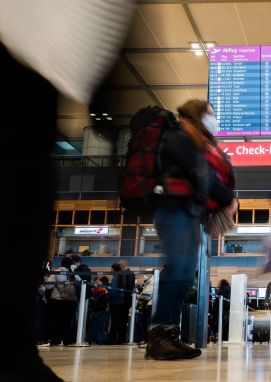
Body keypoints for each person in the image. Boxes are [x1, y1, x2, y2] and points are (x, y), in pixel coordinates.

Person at [0, 2, 133, 380]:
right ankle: (12, 356)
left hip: (26, 82)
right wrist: (107, 107)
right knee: (19, 219)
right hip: (23, 90)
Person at [145, 99, 238, 360]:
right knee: (178, 272)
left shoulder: (195, 140)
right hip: (173, 212)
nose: (213, 118)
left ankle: (168, 334)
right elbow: (202, 175)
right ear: (197, 115)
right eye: (210, 114)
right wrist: (227, 198)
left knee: (184, 274)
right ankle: (160, 336)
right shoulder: (179, 137)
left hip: (187, 214)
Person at [45, 256, 78, 347]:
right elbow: (79, 282)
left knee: (54, 320)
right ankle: (66, 340)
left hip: (56, 300)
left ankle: (54, 340)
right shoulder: (72, 273)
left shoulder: (56, 272)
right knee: (66, 321)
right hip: (68, 300)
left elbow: (49, 287)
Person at [108, 263, 130, 344]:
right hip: (122, 301)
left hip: (114, 301)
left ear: (113, 269)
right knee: (121, 321)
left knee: (114, 321)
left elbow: (113, 290)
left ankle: (111, 339)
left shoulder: (115, 278)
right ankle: (121, 339)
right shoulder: (123, 276)